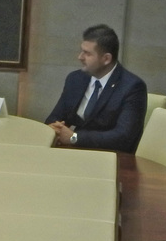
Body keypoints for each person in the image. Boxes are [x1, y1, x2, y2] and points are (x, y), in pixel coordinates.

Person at [43, 25, 147, 153]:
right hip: (74, 153)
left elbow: (123, 137)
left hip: (112, 157)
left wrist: (75, 137)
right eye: (82, 51)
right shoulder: (75, 79)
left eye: (87, 53)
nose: (80, 57)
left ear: (106, 59)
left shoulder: (132, 87)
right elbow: (55, 118)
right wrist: (55, 128)